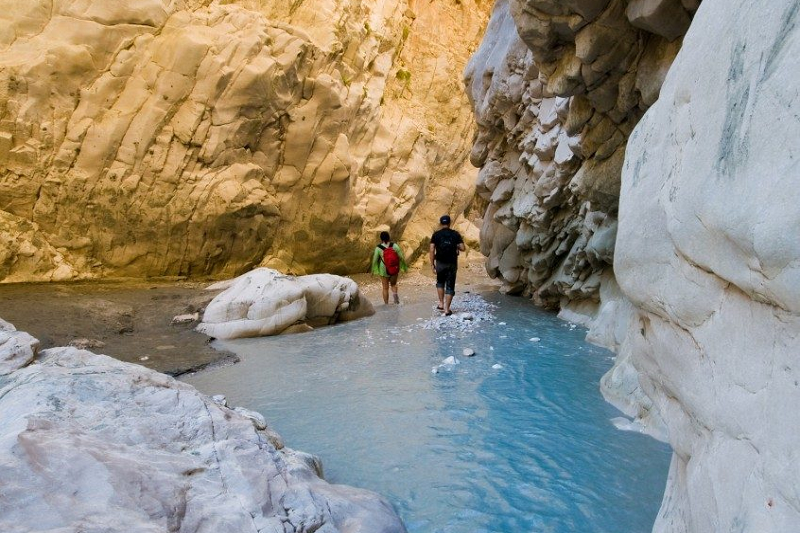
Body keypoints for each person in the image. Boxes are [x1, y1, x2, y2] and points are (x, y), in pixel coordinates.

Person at [429, 215, 465, 316]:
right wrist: (456, 246)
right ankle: (447, 309)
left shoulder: (436, 235)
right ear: (450, 223)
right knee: (450, 285)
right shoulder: (455, 234)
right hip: (452, 263)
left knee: (440, 282)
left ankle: (441, 303)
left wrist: (432, 264)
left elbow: (431, 250)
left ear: (441, 223)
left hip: (440, 262)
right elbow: (463, 248)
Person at [370, 231, 408, 304]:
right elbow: (401, 257)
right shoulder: (394, 245)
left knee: (385, 288)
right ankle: (396, 299)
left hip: (383, 269)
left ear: (381, 238)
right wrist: (404, 267)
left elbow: (374, 260)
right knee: (393, 285)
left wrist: (373, 271)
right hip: (394, 268)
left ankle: (386, 305)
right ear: (389, 237)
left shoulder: (378, 248)